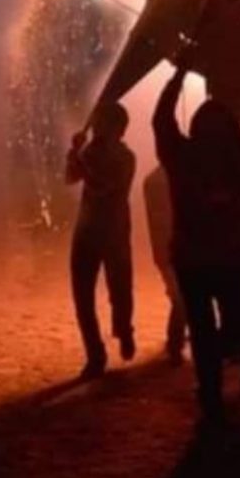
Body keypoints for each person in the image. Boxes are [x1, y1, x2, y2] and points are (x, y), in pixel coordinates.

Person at [152, 61, 240, 422]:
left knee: (211, 328)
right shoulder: (220, 160)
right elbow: (162, 121)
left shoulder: (186, 156)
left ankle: (210, 386)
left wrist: (178, 77)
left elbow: (161, 120)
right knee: (223, 328)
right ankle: (210, 390)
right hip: (215, 258)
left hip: (200, 258)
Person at [65, 103, 137, 382]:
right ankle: (95, 354)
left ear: (117, 129)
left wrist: (80, 157)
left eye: (102, 123)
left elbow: (104, 187)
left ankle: (124, 329)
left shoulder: (126, 158)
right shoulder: (90, 153)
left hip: (114, 231)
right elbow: (70, 178)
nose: (96, 128)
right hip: (86, 231)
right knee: (82, 295)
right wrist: (74, 155)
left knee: (120, 290)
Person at [143, 165, 186, 364]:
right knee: (181, 298)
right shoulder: (170, 180)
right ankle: (175, 344)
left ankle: (176, 341)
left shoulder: (152, 180)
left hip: (165, 250)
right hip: (175, 250)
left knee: (180, 296)